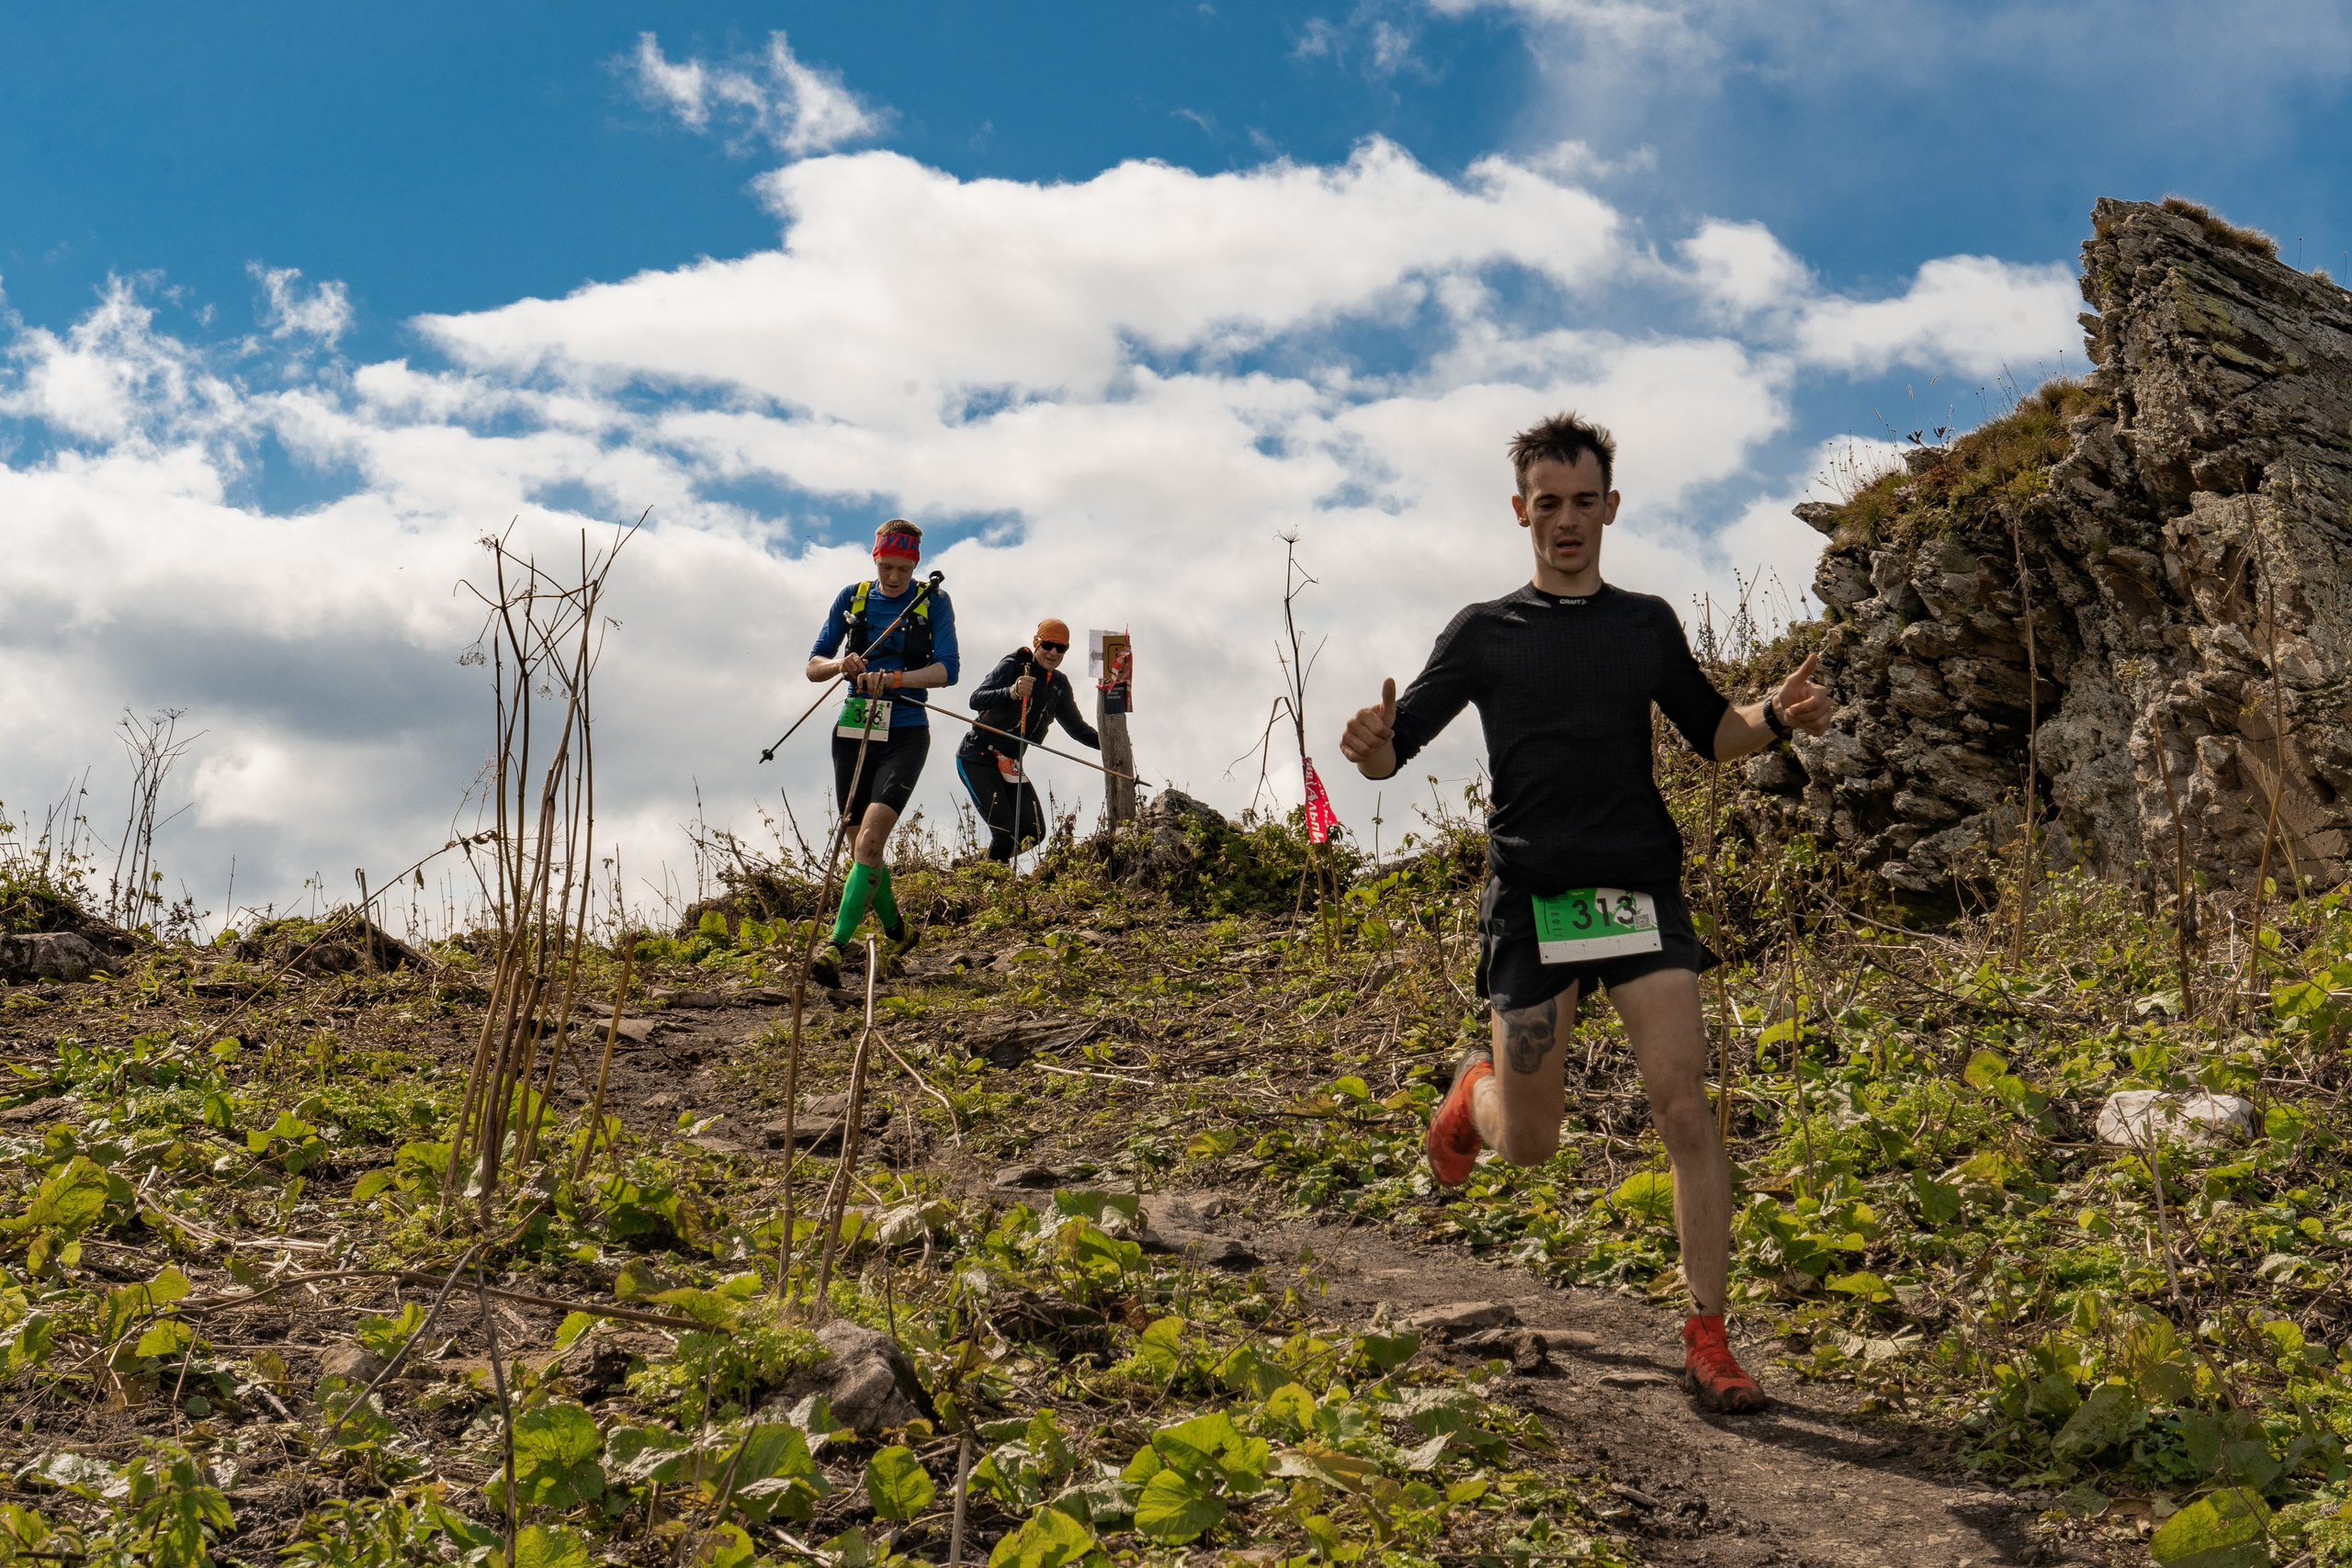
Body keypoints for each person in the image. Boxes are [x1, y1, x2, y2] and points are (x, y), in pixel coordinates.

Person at [1338, 412, 1831, 1414]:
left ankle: (1707, 1337)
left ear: (1611, 506)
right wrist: (1370, 744)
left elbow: (1710, 733)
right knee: (1531, 1143)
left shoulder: (1642, 623)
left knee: (1683, 1104)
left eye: (1583, 502)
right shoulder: (1484, 631)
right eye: (1546, 505)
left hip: (1638, 892)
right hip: (1532, 901)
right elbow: (1398, 754)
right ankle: (1472, 1097)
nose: (1566, 522)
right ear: (1520, 512)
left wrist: (1773, 715)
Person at [805, 520, 959, 987]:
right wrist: (842, 666)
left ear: (915, 564)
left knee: (870, 841)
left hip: (908, 730)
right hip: (853, 729)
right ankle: (897, 931)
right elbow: (813, 666)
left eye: (903, 568)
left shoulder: (934, 602)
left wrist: (896, 680)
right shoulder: (852, 597)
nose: (894, 577)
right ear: (875, 560)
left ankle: (833, 946)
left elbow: (948, 670)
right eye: (887, 567)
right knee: (860, 849)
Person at [956, 618, 1100, 862]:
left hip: (1010, 763)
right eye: (1048, 645)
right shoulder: (1014, 666)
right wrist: (1011, 692)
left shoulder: (1060, 685)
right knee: (1004, 834)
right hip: (977, 755)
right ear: (1036, 643)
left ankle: (981, 864)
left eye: (1061, 648)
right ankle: (985, 877)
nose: (1053, 652)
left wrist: (1111, 747)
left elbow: (1077, 729)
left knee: (1033, 833)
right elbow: (975, 699)